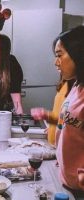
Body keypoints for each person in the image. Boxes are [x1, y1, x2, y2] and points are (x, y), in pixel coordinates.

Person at [53, 25, 84, 192]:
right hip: (66, 182)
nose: (55, 62)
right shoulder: (77, 86)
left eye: (59, 55)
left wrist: (80, 181)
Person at [31, 77, 75, 145]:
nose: (57, 65)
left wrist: (48, 116)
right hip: (55, 143)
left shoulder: (78, 88)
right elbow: (60, 112)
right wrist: (52, 128)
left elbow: (75, 123)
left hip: (66, 145)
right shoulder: (64, 83)